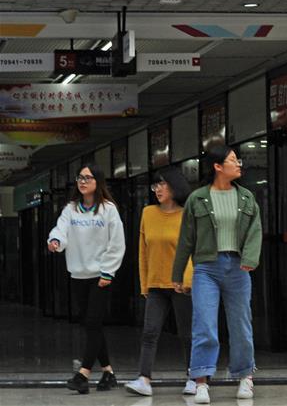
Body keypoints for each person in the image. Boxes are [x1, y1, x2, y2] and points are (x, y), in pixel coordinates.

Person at [172, 143, 263, 404]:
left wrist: (250, 259)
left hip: (238, 267)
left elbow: (255, 231)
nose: (238, 164)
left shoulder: (246, 197)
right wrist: (177, 274)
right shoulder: (197, 198)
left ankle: (245, 376)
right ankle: (201, 381)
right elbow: (186, 238)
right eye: (233, 160)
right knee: (204, 325)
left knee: (241, 324)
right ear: (217, 166)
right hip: (206, 268)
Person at [47, 164, 125, 395]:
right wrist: (55, 241)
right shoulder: (71, 209)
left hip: (101, 276)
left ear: (98, 181)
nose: (82, 181)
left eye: (88, 178)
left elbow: (117, 242)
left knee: (92, 323)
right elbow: (60, 229)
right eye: (80, 177)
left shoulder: (108, 209)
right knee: (92, 325)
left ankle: (83, 375)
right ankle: (108, 372)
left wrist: (108, 272)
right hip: (78, 274)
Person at [124, 167, 196, 397]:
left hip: (182, 284)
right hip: (155, 284)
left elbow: (194, 251)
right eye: (155, 185)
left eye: (162, 184)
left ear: (175, 186)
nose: (157, 189)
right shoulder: (148, 213)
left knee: (187, 334)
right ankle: (144, 379)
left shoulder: (187, 214)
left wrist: (187, 280)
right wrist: (144, 284)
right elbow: (143, 252)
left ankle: (194, 378)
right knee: (150, 332)